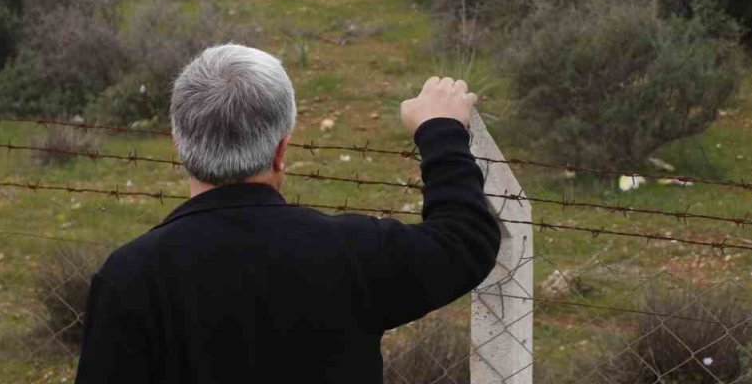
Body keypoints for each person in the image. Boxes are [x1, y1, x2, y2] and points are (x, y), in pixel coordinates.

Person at [75, 44, 502, 384]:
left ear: (179, 143)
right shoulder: (351, 255)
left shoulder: (129, 278)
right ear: (282, 149)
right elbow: (464, 240)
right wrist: (440, 129)